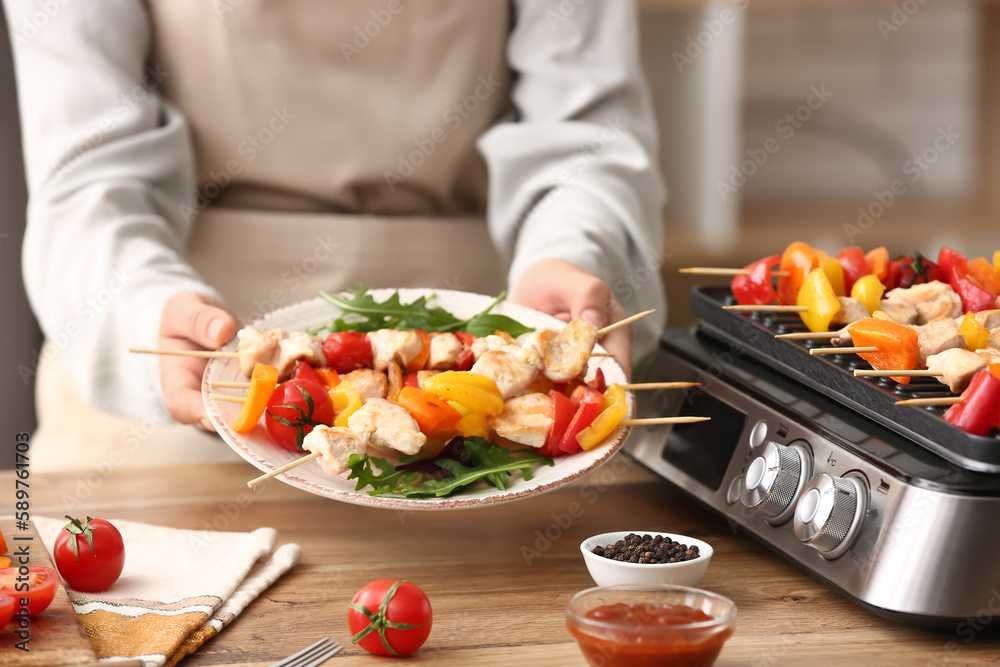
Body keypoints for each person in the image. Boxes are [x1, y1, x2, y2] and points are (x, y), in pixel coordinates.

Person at [6, 0, 665, 469]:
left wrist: (574, 248)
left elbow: (586, 136)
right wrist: (147, 306)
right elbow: (85, 173)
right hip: (170, 377)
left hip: (492, 362)